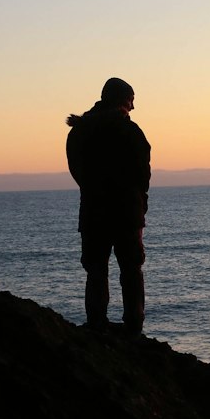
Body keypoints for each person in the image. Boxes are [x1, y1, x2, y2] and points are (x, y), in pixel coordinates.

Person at [66, 77, 151, 334]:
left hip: (93, 211)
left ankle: (96, 323)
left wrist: (94, 191)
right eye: (131, 100)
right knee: (131, 269)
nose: (133, 107)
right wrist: (139, 205)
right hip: (126, 212)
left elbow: (76, 170)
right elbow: (142, 175)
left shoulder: (79, 131)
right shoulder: (130, 131)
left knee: (96, 269)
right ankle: (134, 325)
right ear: (120, 100)